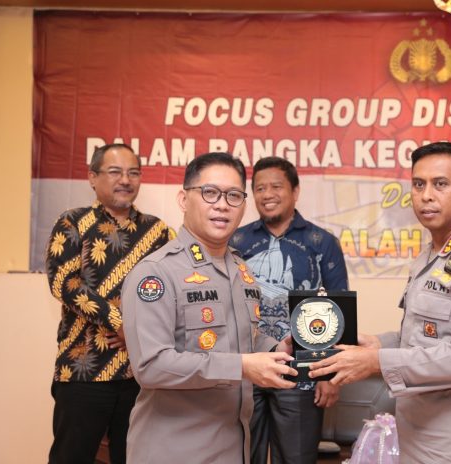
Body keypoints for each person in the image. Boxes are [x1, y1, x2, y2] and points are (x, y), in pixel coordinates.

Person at [309, 141, 451, 463]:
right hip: (421, 431)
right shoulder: (435, 254)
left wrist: (378, 362)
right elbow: (430, 334)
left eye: (441, 184)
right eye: (419, 184)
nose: (426, 195)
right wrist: (378, 343)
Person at [121, 152, 298, 464]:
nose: (222, 204)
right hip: (174, 450)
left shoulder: (241, 270)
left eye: (233, 195)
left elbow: (243, 338)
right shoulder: (156, 273)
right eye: (210, 192)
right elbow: (151, 366)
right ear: (183, 199)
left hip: (233, 447)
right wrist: (241, 367)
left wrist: (281, 347)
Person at [45, 143, 174, 464]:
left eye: (133, 172)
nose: (125, 180)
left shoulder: (158, 231)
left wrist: (140, 332)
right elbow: (65, 283)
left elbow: (174, 291)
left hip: (141, 375)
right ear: (92, 177)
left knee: (135, 459)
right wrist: (123, 324)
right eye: (115, 172)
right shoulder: (72, 222)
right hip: (83, 372)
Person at [230, 157, 349, 464]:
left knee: (296, 457)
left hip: (304, 373)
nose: (267, 194)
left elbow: (337, 311)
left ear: (295, 191)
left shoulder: (321, 242)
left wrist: (329, 376)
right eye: (259, 188)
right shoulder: (236, 241)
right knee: (241, 456)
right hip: (246, 371)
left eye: (276, 186)